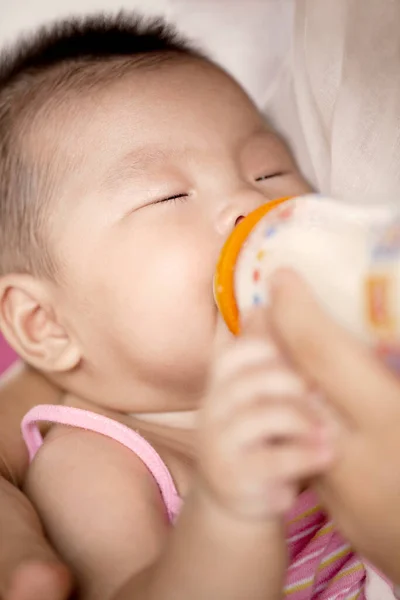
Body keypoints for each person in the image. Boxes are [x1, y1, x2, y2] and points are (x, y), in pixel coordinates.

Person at [0, 11, 398, 600]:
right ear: (47, 325)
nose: (247, 202)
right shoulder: (98, 460)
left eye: (269, 170)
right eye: (169, 195)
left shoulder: (325, 360)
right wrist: (227, 513)